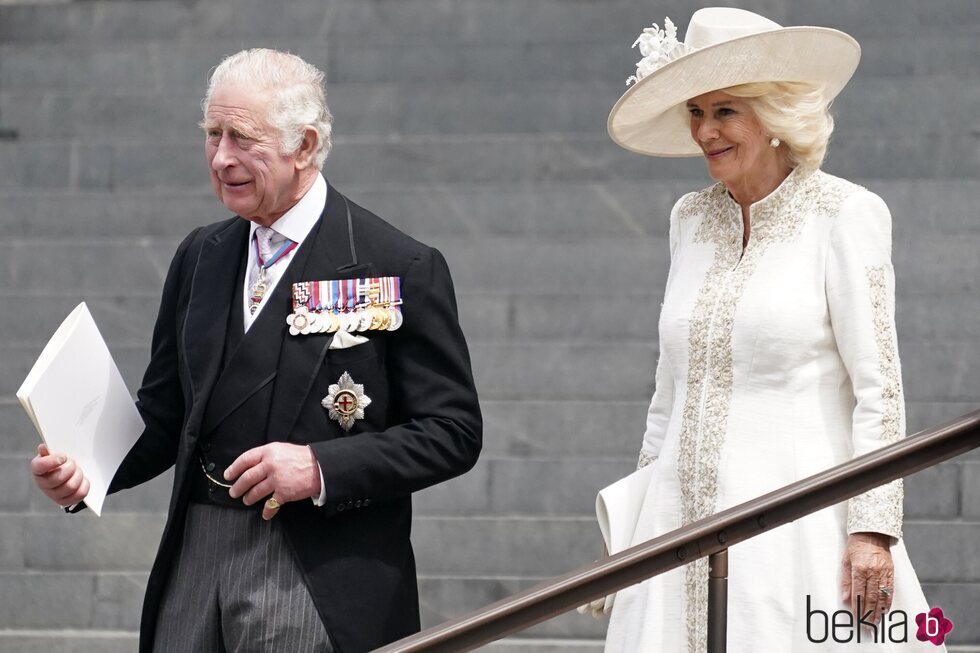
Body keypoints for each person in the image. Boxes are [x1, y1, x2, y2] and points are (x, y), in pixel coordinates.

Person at [29, 48, 482, 653]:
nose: (221, 158)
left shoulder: (398, 264)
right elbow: (166, 417)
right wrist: (86, 471)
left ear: (304, 145)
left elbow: (452, 431)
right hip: (197, 555)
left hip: (316, 569)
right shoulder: (201, 255)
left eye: (242, 138)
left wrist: (320, 467)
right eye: (212, 134)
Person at [592, 8, 942, 652]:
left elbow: (879, 388)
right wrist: (636, 529)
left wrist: (872, 530)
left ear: (776, 115)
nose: (704, 132)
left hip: (797, 521)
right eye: (696, 112)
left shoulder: (846, 213)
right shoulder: (689, 218)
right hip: (676, 518)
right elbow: (669, 391)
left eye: (726, 111)